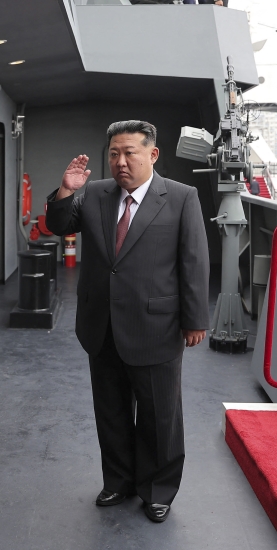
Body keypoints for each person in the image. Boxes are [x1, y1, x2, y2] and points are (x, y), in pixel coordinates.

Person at [45, 120, 209, 524]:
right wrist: (66, 190)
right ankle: (118, 481)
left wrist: (194, 319)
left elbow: (193, 261)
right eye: (114, 154)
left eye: (129, 153)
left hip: (157, 325)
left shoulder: (181, 198)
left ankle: (157, 489)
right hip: (101, 325)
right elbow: (58, 225)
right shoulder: (97, 192)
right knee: (112, 411)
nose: (120, 162)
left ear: (152, 155)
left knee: (159, 416)